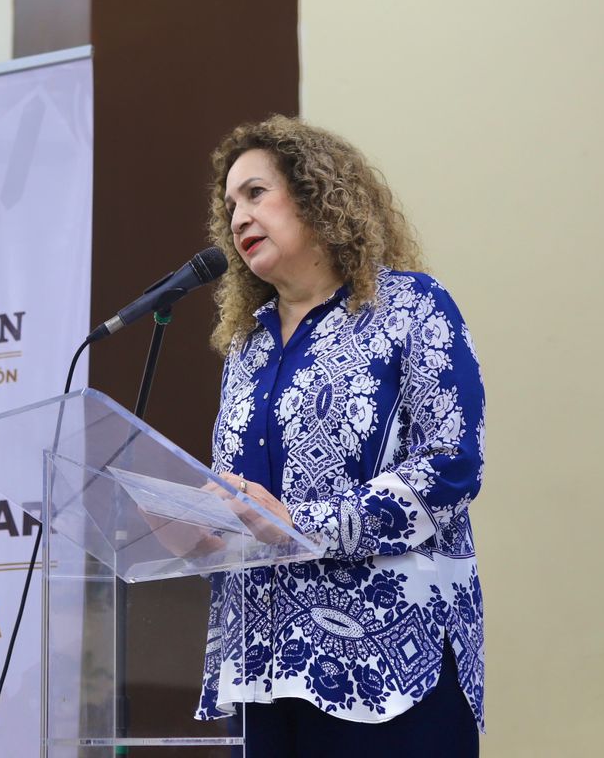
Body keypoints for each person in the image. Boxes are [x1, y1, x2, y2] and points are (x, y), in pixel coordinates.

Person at [195, 115, 486, 756]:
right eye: (230, 206)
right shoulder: (247, 346)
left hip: (387, 663)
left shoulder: (410, 307)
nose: (239, 217)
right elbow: (246, 503)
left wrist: (302, 526)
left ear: (315, 195)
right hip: (263, 668)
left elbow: (451, 466)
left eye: (256, 193)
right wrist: (200, 530)